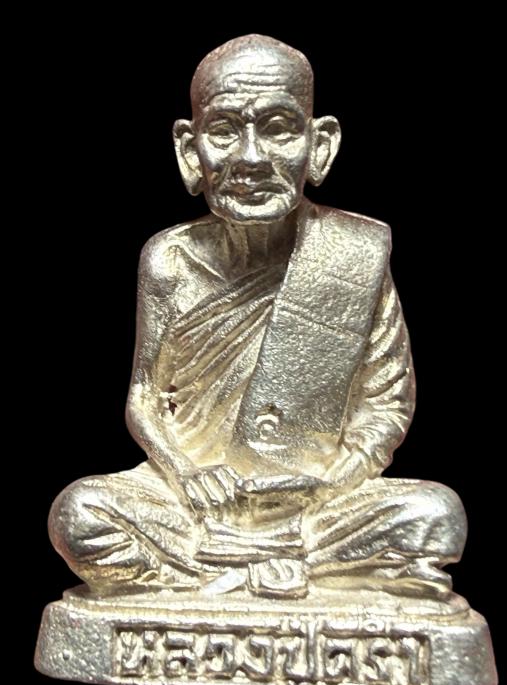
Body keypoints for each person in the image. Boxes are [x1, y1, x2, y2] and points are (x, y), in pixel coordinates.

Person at [49, 34, 466, 600]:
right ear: (189, 150)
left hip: (318, 503)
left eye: (278, 129)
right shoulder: (169, 260)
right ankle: (268, 569)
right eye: (224, 131)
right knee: (79, 513)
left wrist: (329, 483)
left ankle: (225, 571)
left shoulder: (353, 255)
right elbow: (145, 399)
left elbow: (387, 405)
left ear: (319, 145)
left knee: (435, 515)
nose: (250, 158)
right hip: (196, 500)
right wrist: (187, 473)